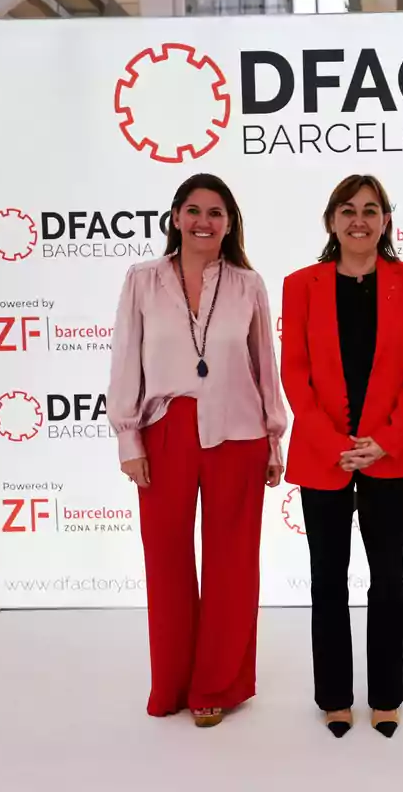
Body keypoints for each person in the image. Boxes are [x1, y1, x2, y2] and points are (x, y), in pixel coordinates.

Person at [107, 173, 286, 728]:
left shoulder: (248, 284)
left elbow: (264, 366)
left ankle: (216, 685)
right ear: (176, 217)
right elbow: (125, 360)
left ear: (230, 223)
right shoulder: (141, 280)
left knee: (233, 565)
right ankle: (172, 684)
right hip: (165, 431)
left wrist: (274, 438)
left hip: (239, 434)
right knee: (166, 563)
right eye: (194, 210)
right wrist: (128, 437)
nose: (204, 221)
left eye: (216, 212)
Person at [280, 174, 403, 739]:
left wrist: (385, 440)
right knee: (328, 578)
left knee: (388, 577)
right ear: (331, 221)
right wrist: (333, 444)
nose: (359, 220)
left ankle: (387, 696)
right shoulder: (301, 285)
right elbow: (294, 374)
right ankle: (335, 698)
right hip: (323, 454)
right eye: (348, 210)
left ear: (385, 221)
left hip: (390, 453)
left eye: (371, 210)